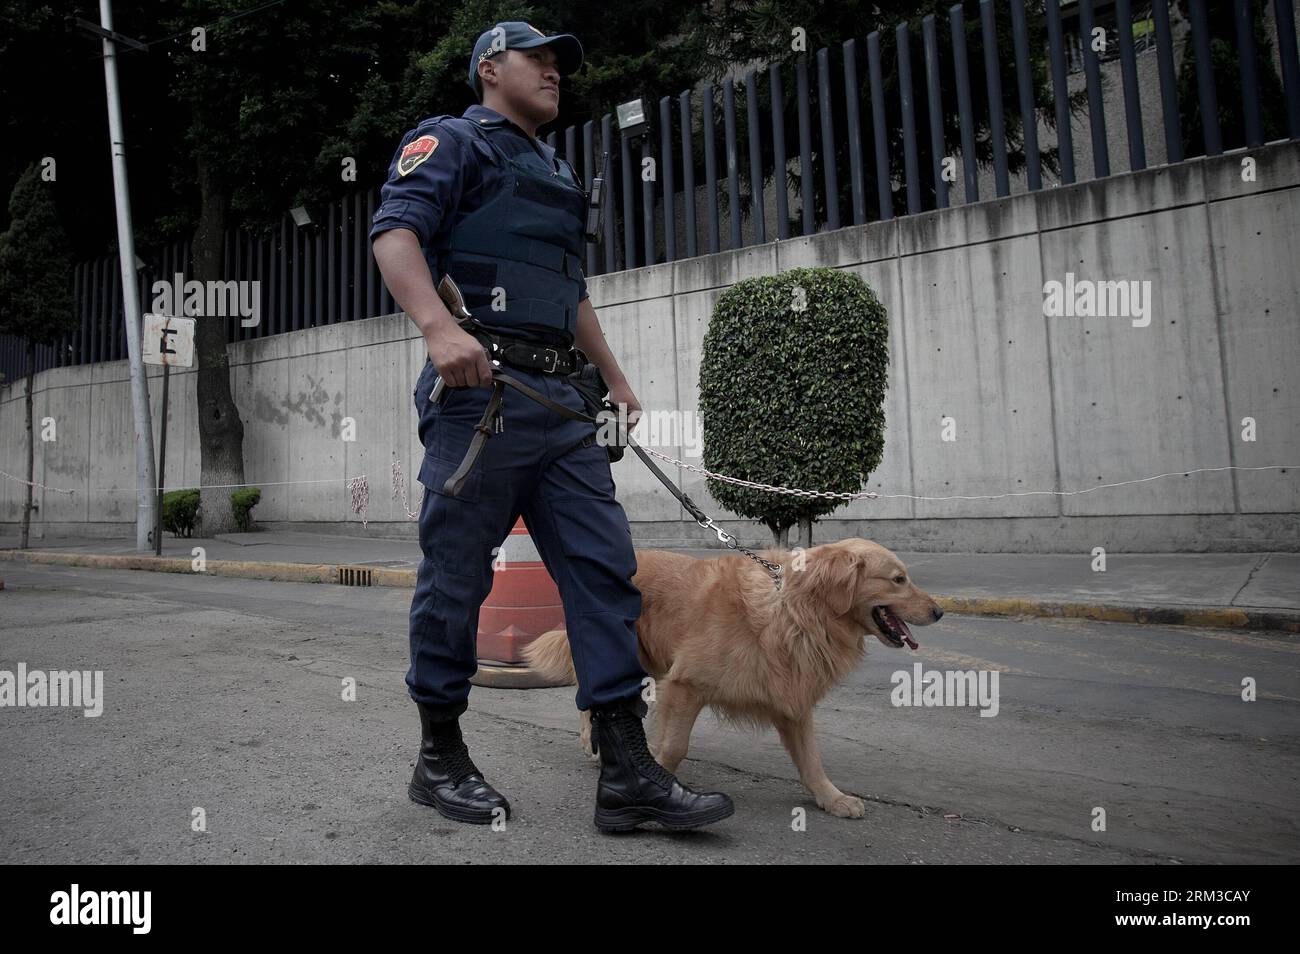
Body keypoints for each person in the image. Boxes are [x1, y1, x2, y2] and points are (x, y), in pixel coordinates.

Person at [369, 21, 734, 833]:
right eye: (538, 59)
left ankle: (628, 773)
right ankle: (440, 757)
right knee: (457, 579)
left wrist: (615, 378)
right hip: (482, 396)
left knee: (606, 577)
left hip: (565, 405)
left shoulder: (557, 168)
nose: (555, 72)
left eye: (561, 63)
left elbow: (569, 293)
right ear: (490, 68)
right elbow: (395, 235)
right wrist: (437, 328)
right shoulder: (450, 141)